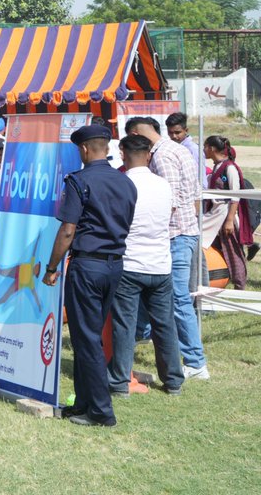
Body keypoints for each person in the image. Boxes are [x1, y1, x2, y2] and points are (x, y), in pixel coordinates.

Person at [43, 123, 136, 427]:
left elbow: (67, 230)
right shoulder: (126, 182)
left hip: (87, 265)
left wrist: (52, 266)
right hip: (114, 265)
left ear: (84, 149)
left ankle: (100, 411)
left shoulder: (78, 181)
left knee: (86, 340)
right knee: (89, 337)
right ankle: (83, 402)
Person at [124, 116, 207, 381]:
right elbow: (193, 197)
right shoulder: (177, 149)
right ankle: (144, 334)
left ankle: (195, 361)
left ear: (138, 135)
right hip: (184, 231)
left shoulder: (161, 156)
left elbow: (169, 199)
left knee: (178, 299)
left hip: (175, 235)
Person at [109, 134, 183, 397]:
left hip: (129, 264)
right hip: (160, 264)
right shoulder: (163, 185)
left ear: (122, 154)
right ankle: (173, 380)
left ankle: (119, 381)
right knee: (165, 325)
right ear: (149, 155)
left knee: (124, 326)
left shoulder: (120, 183)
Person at [203, 136, 251, 289]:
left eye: (205, 147)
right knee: (217, 248)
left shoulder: (229, 168)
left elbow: (235, 195)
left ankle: (240, 286)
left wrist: (230, 220)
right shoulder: (217, 167)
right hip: (215, 214)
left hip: (226, 215)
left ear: (211, 148)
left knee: (233, 251)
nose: (203, 150)